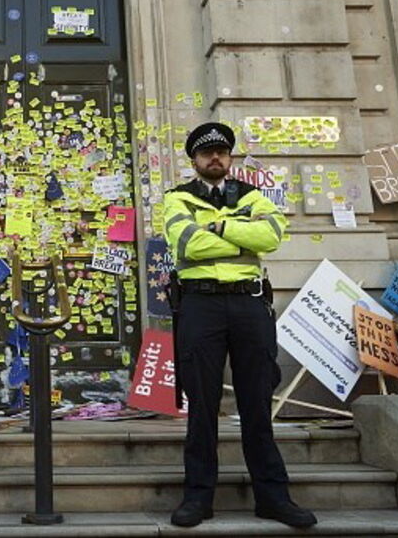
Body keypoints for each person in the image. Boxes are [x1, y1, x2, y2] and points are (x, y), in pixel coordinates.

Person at [163, 122, 316, 529]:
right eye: (206, 152)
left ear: (229, 157)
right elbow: (188, 243)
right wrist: (242, 233)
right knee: (202, 406)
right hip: (200, 305)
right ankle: (198, 498)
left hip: (249, 303)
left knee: (257, 404)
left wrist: (219, 226)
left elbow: (271, 236)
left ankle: (274, 497)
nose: (215, 157)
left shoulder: (252, 195)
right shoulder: (176, 198)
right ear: (194, 160)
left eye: (221, 151)